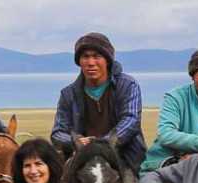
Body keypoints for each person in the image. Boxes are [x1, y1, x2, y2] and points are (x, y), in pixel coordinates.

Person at [51, 32, 146, 174]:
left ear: (107, 60)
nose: (91, 63)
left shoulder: (127, 85)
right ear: (79, 62)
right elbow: (57, 133)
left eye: (97, 56)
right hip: (83, 162)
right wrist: (76, 141)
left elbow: (131, 121)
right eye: (85, 57)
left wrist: (102, 144)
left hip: (125, 160)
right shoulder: (68, 94)